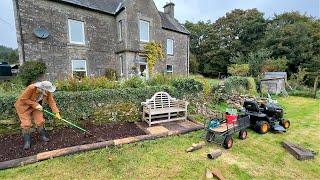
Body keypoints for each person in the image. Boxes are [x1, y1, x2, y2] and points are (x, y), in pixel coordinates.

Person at [14, 81, 61, 150]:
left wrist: (56, 112)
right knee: (26, 124)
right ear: (41, 88)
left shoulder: (47, 91)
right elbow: (23, 99)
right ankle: (27, 142)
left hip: (37, 106)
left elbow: (51, 101)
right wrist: (35, 105)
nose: (48, 91)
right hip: (24, 107)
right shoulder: (31, 88)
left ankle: (43, 136)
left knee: (40, 121)